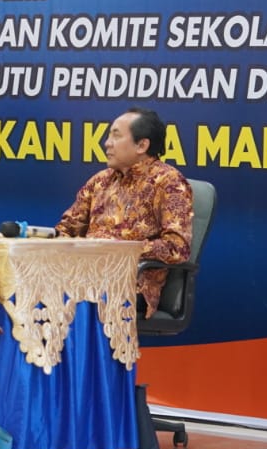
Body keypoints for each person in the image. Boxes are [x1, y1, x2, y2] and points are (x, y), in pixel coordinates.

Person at [54, 107, 193, 317]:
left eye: (116, 136)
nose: (107, 143)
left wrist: (115, 249)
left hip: (131, 284)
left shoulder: (168, 182)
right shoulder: (101, 181)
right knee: (35, 286)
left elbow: (177, 247)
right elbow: (66, 228)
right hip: (86, 273)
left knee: (74, 294)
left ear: (142, 145)